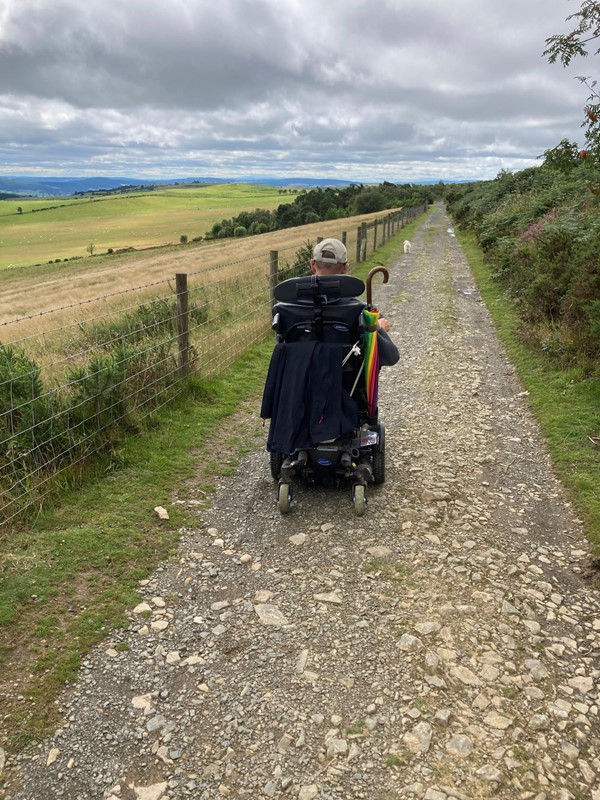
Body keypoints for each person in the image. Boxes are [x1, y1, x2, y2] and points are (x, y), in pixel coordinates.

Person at [310, 238, 399, 367]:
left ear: (312, 265)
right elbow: (391, 358)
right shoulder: (362, 312)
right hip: (347, 385)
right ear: (346, 268)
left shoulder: (288, 310)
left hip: (300, 383)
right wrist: (378, 328)